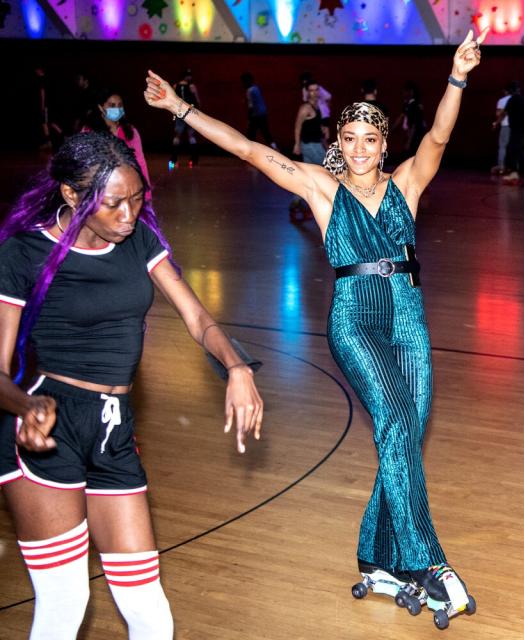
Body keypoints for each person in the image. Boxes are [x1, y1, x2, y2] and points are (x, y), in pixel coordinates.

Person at [144, 28, 487, 620]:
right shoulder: (321, 189)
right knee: (399, 425)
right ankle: (426, 561)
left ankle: (375, 556)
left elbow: (439, 133)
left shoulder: (408, 182)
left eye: (369, 139)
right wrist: (180, 107)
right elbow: (250, 150)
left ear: (383, 146)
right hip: (355, 319)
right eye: (349, 138)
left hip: (408, 315)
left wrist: (456, 75)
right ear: (339, 142)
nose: (358, 148)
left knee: (402, 434)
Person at [0, 132, 263, 638]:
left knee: (148, 607)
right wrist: (24, 409)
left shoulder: (138, 238)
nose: (128, 214)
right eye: (114, 203)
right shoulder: (23, 253)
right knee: (64, 601)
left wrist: (237, 366)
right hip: (49, 424)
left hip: (113, 430)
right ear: (73, 195)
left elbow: (197, 318)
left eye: (137, 199)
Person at [87, 88, 153, 201]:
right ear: (100, 107)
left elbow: (140, 162)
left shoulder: (130, 132)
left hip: (128, 189)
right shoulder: (89, 132)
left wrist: (146, 194)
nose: (116, 109)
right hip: (100, 192)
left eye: (119, 105)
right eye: (112, 105)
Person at [290, 81, 330, 222]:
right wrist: (297, 144)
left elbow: (315, 126)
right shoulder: (305, 108)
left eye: (316, 90)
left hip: (315, 144)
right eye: (311, 90)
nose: (314, 92)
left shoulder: (317, 106)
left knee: (308, 176)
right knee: (329, 171)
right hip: (310, 146)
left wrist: (324, 133)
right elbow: (297, 127)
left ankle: (296, 203)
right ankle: (332, 206)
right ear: (307, 93)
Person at [170, 69, 201, 169]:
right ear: (187, 76)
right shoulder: (191, 86)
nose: (191, 77)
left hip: (179, 111)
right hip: (190, 112)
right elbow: (197, 101)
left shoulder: (175, 86)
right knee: (191, 135)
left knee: (177, 135)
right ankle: (194, 158)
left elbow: (172, 100)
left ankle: (174, 158)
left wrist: (174, 112)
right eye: (189, 76)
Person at [240, 72, 277, 149]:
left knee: (251, 134)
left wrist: (249, 119)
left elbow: (252, 106)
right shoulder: (256, 88)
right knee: (265, 132)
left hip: (256, 115)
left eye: (243, 82)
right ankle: (275, 148)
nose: (242, 84)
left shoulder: (250, 90)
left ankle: (253, 150)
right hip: (263, 114)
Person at [394, 81, 427, 162]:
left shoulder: (414, 106)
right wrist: (392, 128)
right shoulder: (407, 104)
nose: (403, 93)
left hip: (416, 134)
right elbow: (401, 116)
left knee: (412, 153)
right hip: (411, 133)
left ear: (411, 92)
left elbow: (414, 125)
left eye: (405, 91)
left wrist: (409, 141)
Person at [491, 84, 511, 175]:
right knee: (513, 147)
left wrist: (496, 122)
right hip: (516, 126)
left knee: (503, 146)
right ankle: (513, 167)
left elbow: (499, 114)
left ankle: (501, 166)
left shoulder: (502, 101)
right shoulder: (516, 99)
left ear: (505, 91)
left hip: (506, 125)